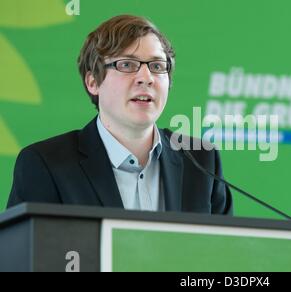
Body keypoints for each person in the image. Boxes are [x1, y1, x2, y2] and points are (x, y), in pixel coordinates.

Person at [7, 15, 233, 215]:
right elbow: (25, 258)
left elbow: (225, 255)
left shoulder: (202, 161)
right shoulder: (46, 164)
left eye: (156, 66)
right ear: (93, 82)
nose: (146, 78)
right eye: (126, 64)